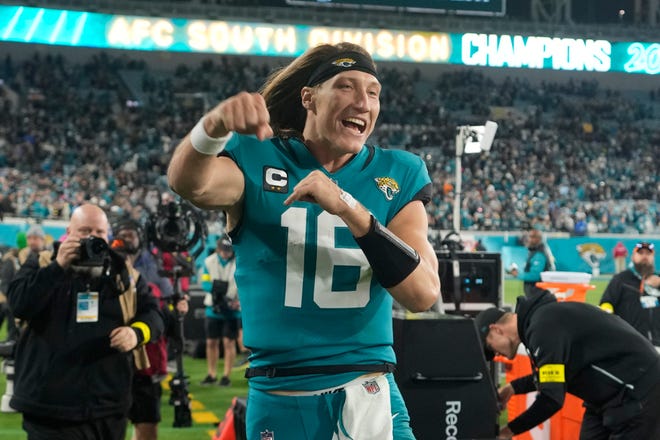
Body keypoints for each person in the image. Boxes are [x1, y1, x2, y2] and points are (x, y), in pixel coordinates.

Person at [167, 42, 440, 439]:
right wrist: (211, 127)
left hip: (368, 389)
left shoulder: (398, 173)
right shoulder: (258, 157)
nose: (364, 102)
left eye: (373, 92)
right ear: (309, 98)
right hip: (280, 391)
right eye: (346, 87)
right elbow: (189, 183)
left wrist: (350, 208)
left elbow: (422, 294)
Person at [7, 204, 164, 440]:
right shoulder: (42, 263)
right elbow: (19, 305)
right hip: (49, 407)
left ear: (108, 235)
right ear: (69, 231)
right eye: (84, 230)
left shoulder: (125, 274)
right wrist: (57, 267)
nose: (93, 237)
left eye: (99, 232)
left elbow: (154, 315)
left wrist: (136, 333)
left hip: (107, 406)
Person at [475, 291, 660, 439]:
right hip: (609, 398)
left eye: (490, 348)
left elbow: (551, 399)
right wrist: (513, 388)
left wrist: (508, 432)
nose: (496, 354)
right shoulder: (540, 321)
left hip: (640, 390)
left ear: (495, 329)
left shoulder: (542, 328)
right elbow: (555, 373)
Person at [111, 217, 188, 440]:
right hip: (111, 361)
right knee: (109, 427)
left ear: (140, 238)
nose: (126, 240)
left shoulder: (155, 266)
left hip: (147, 360)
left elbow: (164, 312)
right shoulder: (102, 262)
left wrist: (178, 308)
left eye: (131, 235)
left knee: (146, 426)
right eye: (122, 235)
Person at [600, 241, 660, 346]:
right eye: (640, 253)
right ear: (633, 257)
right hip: (629, 343)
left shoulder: (658, 279)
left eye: (648, 253)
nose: (644, 256)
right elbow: (606, 302)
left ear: (653, 257)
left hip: (657, 342)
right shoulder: (621, 279)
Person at [200, 235, 240, 387]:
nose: (226, 253)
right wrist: (218, 293)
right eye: (223, 250)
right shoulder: (209, 262)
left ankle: (226, 375)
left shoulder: (239, 262)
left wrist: (237, 301)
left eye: (228, 250)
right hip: (214, 307)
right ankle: (211, 373)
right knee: (211, 342)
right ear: (218, 249)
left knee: (229, 342)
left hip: (232, 308)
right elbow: (204, 282)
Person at [510, 228, 555, 297]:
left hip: (537, 293)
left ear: (538, 239)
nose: (528, 239)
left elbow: (535, 275)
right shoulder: (538, 251)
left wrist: (518, 274)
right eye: (529, 236)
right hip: (538, 293)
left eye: (531, 237)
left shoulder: (539, 254)